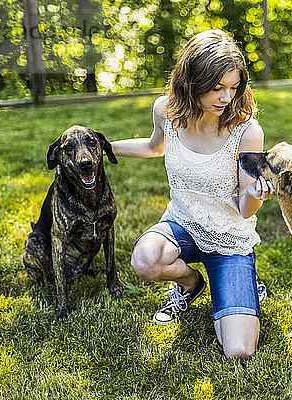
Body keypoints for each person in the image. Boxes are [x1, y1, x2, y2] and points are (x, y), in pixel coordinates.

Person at [110, 30, 273, 358]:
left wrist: (257, 192)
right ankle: (190, 284)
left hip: (229, 240)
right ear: (192, 80)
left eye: (233, 87)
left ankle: (240, 280)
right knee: (145, 261)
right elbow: (155, 147)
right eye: (217, 88)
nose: (226, 98)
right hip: (182, 224)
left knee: (239, 350)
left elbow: (245, 208)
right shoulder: (166, 111)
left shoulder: (247, 130)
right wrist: (104, 148)